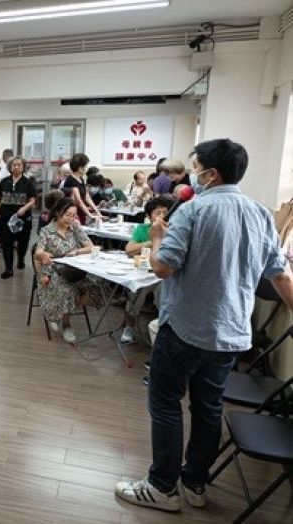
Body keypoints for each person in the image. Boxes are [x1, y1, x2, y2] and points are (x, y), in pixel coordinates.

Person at [115, 139, 293, 514]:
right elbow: (280, 276)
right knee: (208, 408)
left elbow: (163, 267)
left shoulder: (193, 211)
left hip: (186, 328)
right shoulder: (260, 214)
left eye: (195, 167)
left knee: (166, 404)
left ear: (211, 174)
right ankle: (195, 482)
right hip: (231, 334)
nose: (190, 175)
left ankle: (162, 487)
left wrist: (157, 238)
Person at [34, 197, 102, 344]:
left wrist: (76, 252)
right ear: (58, 213)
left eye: (73, 215)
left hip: (75, 270)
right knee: (67, 290)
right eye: (67, 215)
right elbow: (38, 251)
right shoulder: (47, 231)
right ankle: (66, 324)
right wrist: (42, 255)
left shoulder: (75, 228)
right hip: (53, 271)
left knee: (96, 289)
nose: (70, 219)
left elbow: (90, 247)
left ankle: (55, 311)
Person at [120, 196, 172, 345]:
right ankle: (129, 327)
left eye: (165, 212)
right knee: (135, 295)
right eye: (157, 212)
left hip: (163, 275)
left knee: (165, 299)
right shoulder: (142, 229)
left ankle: (163, 331)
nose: (162, 216)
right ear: (149, 216)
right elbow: (129, 250)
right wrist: (153, 240)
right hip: (143, 272)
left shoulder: (173, 230)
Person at [0, 156, 36, 279]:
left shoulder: (28, 183)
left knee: (23, 241)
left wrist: (24, 208)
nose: (16, 167)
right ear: (10, 167)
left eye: (19, 165)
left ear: (23, 167)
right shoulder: (4, 181)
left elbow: (33, 200)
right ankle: (8, 268)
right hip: (6, 215)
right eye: (14, 165)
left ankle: (21, 259)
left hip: (22, 216)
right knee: (7, 242)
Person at [62, 153, 102, 224]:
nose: (87, 169)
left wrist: (97, 212)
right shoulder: (71, 180)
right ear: (80, 168)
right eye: (86, 166)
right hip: (73, 214)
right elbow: (79, 201)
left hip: (81, 212)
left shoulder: (81, 179)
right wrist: (90, 215)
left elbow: (87, 197)